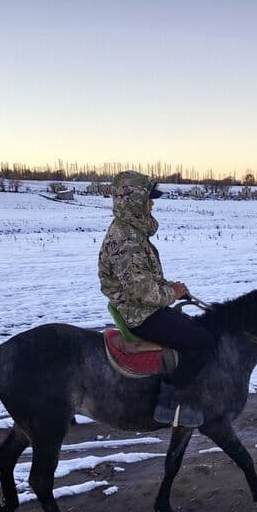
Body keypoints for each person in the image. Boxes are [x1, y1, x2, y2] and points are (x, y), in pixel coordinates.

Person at [98, 170, 215, 426]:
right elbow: (143, 292)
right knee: (201, 342)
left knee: (192, 329)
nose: (152, 204)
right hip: (138, 314)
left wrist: (170, 287)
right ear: (135, 202)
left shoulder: (132, 231)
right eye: (148, 199)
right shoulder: (126, 241)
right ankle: (170, 403)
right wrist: (171, 293)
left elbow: (143, 279)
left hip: (140, 307)